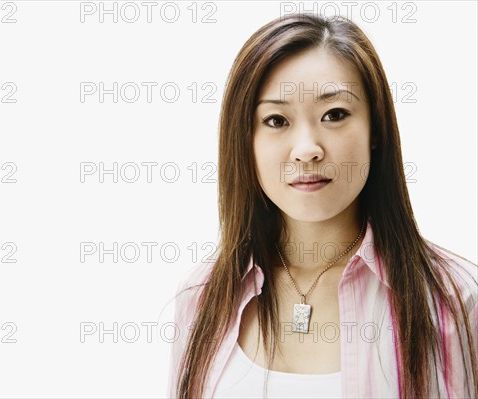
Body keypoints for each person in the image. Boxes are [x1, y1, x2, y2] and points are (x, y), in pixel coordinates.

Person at [166, 13, 477, 399]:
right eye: (277, 120)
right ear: (245, 141)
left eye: (334, 115)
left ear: (375, 130)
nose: (307, 149)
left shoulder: (455, 299)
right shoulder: (202, 296)